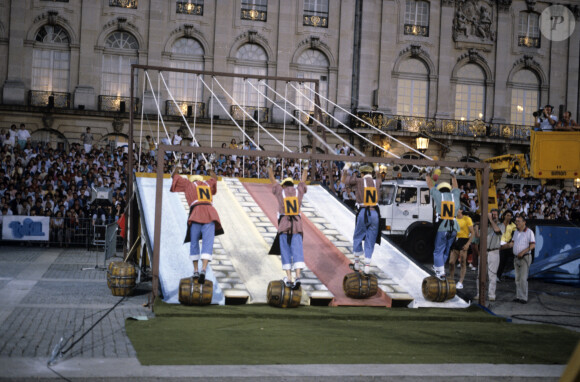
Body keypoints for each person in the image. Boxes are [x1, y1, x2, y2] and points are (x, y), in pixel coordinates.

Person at [170, 162, 224, 284]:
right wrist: (210, 169)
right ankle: (203, 269)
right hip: (210, 213)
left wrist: (177, 167)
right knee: (208, 242)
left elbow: (174, 176)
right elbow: (214, 179)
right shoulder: (207, 183)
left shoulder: (189, 184)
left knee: (194, 242)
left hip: (196, 213)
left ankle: (195, 270)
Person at [268, 165, 308, 289]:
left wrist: (270, 167)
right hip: (297, 224)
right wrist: (305, 168)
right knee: (297, 250)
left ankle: (289, 278)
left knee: (285, 250)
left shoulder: (281, 191)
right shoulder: (298, 191)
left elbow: (272, 180)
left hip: (284, 223)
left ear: (284, 185)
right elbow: (303, 181)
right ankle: (298, 277)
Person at [341, 164, 381, 275]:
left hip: (363, 212)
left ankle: (357, 263)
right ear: (371, 173)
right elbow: (379, 178)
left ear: (362, 173)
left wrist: (346, 168)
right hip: (375, 213)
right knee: (371, 238)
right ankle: (367, 265)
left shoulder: (359, 181)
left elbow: (344, 180)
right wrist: (377, 170)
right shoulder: (376, 182)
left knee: (358, 235)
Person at [427, 172, 460, 279]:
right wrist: (453, 176)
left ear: (440, 189)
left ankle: (440, 272)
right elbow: (456, 187)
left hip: (443, 226)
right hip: (454, 227)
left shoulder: (439, 195)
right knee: (447, 249)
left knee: (438, 250)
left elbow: (430, 186)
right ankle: (438, 267)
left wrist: (427, 175)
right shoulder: (455, 195)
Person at [505, 215, 535, 304]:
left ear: (524, 222)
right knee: (517, 278)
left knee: (523, 278)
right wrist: (505, 245)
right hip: (516, 258)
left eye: (518, 221)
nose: (516, 223)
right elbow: (512, 243)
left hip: (525, 257)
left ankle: (523, 298)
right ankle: (518, 296)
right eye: (516, 221)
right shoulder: (516, 232)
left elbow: (532, 245)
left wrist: (522, 252)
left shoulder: (529, 232)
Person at [475, 209, 503, 302]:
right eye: (492, 215)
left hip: (494, 252)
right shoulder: (485, 226)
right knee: (480, 274)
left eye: (495, 215)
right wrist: (476, 227)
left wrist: (491, 220)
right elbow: (478, 236)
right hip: (483, 251)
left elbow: (497, 231)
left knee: (492, 274)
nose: (494, 216)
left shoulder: (501, 225)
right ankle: (479, 293)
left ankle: (491, 294)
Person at [448, 208, 474, 289]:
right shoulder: (454, 219)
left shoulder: (467, 219)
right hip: (455, 240)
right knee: (451, 262)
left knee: (463, 262)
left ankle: (460, 282)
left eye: (457, 209)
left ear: (461, 210)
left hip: (464, 240)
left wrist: (468, 244)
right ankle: (451, 280)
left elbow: (472, 233)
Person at [496, 210, 515, 280]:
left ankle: (499, 275)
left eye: (510, 216)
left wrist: (510, 243)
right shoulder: (499, 223)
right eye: (507, 215)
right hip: (498, 243)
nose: (509, 217)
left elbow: (514, 235)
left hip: (506, 245)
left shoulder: (513, 225)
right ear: (504, 216)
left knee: (503, 261)